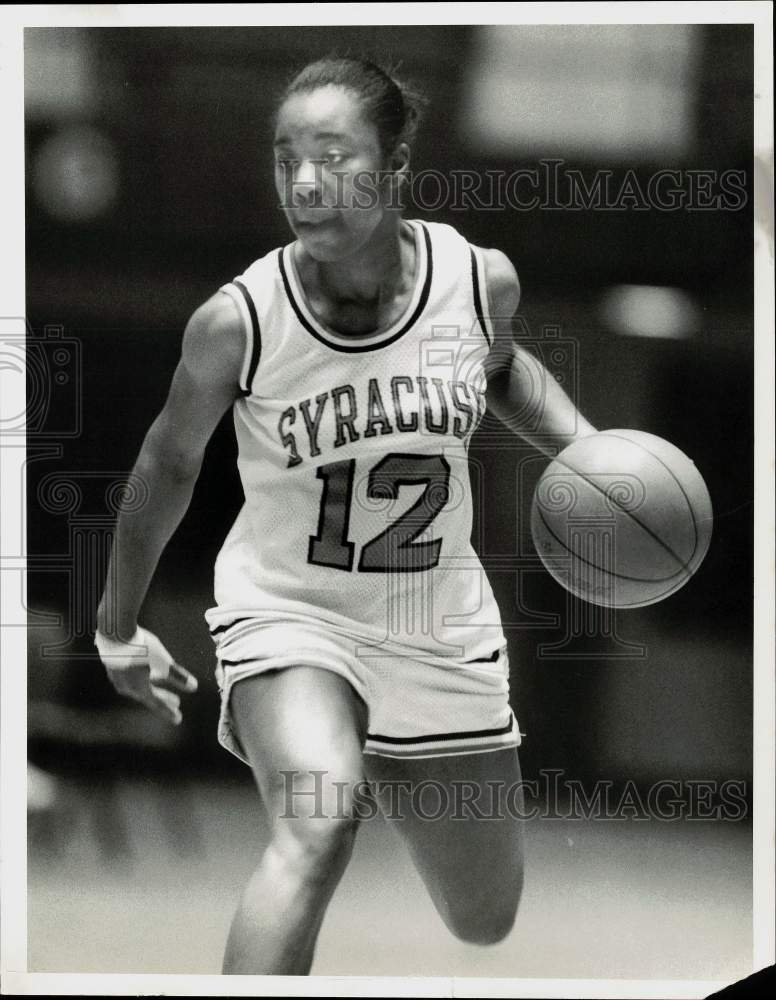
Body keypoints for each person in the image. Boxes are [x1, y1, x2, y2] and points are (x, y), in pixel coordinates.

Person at [95, 56, 597, 975]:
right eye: (287, 158)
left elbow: (499, 370)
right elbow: (166, 463)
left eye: (333, 155)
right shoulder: (239, 321)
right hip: (290, 611)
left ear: (396, 166)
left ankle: (394, 745)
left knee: (486, 917)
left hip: (435, 627)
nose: (304, 182)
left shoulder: (477, 281)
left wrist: (589, 450)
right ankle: (345, 744)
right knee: (317, 826)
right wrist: (116, 628)